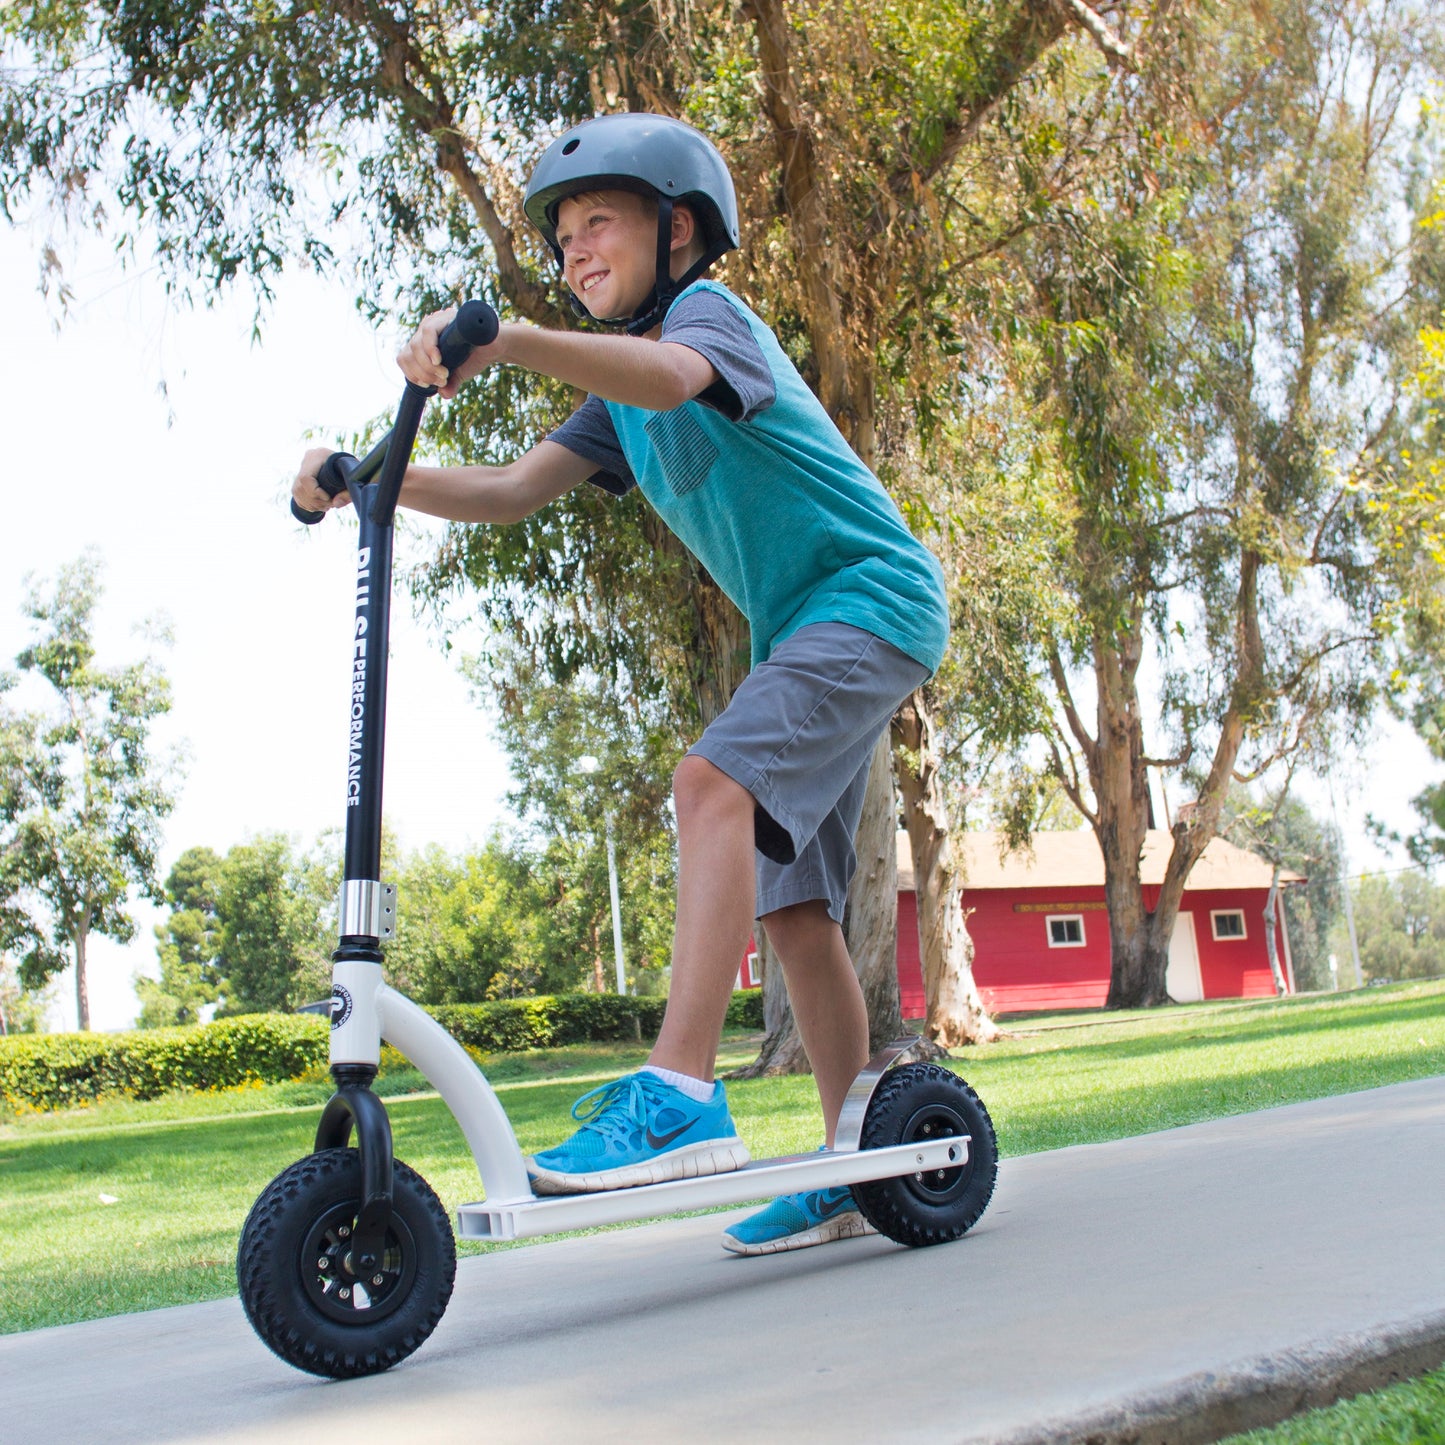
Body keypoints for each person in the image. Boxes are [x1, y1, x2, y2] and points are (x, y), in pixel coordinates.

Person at [293, 112, 949, 1256]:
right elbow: (505, 490)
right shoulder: (613, 409)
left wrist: (510, 340)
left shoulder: (707, 321)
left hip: (871, 596)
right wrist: (366, 478)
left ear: (677, 227)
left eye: (599, 221)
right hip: (801, 627)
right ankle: (857, 1162)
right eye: (560, 237)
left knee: (708, 787)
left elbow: (669, 372)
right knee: (794, 907)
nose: (574, 249)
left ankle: (680, 1093)